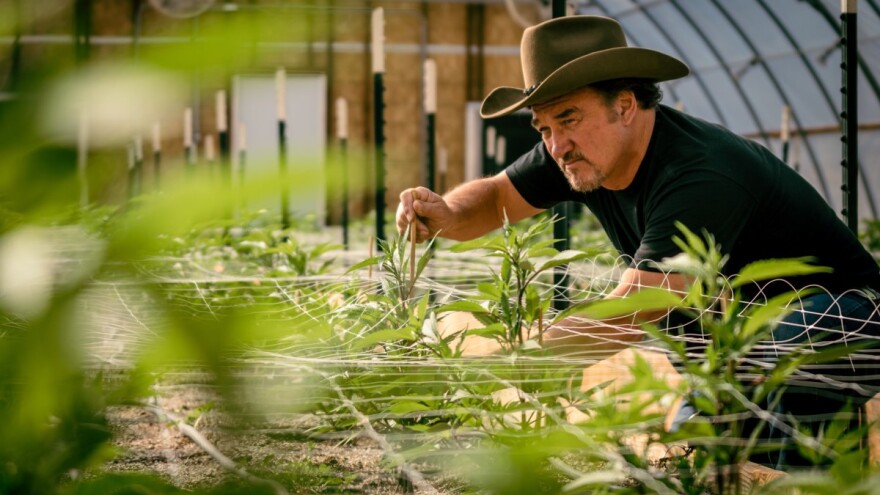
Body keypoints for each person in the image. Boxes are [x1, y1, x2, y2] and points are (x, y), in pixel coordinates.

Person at [395, 15, 880, 468]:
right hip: (736, 352)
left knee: (783, 381)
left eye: (567, 119)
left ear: (624, 105)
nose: (555, 145)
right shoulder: (577, 152)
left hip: (846, 322)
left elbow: (639, 305)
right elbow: (498, 194)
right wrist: (450, 213)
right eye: (543, 128)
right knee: (697, 461)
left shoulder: (698, 173)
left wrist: (516, 361)